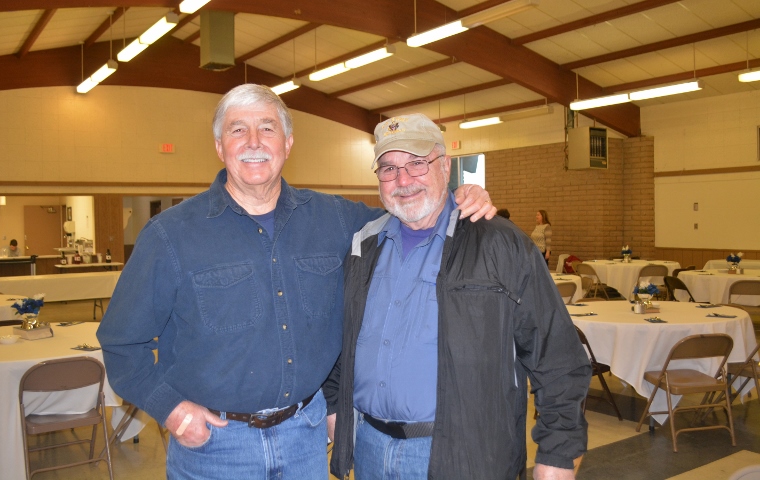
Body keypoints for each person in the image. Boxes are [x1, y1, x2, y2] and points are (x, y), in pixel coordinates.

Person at [96, 85, 495, 479]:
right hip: (215, 448)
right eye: (238, 130)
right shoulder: (170, 235)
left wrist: (458, 197)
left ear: (287, 143)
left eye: (267, 128)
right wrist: (172, 409)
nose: (254, 141)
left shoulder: (335, 219)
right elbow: (120, 343)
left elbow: (409, 209)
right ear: (219, 146)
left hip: (305, 440)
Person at [326, 114, 590, 480]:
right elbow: (341, 339)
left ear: (445, 166)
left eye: (417, 163)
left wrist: (559, 452)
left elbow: (557, 355)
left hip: (462, 456)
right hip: (371, 449)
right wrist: (332, 403)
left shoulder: (499, 243)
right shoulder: (362, 245)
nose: (403, 180)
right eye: (388, 168)